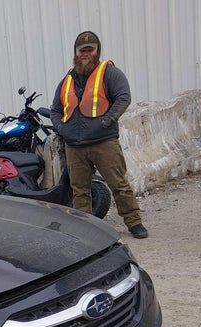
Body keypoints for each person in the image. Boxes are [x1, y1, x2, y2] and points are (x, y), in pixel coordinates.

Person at [50, 31, 148, 238]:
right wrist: (60, 128)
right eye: (81, 50)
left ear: (97, 51)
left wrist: (106, 121)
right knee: (79, 190)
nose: (85, 54)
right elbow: (55, 109)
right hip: (74, 146)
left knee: (118, 184)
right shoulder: (66, 79)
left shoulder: (110, 73)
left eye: (90, 50)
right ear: (75, 53)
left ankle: (134, 222)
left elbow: (123, 98)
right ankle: (87, 230)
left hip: (103, 142)